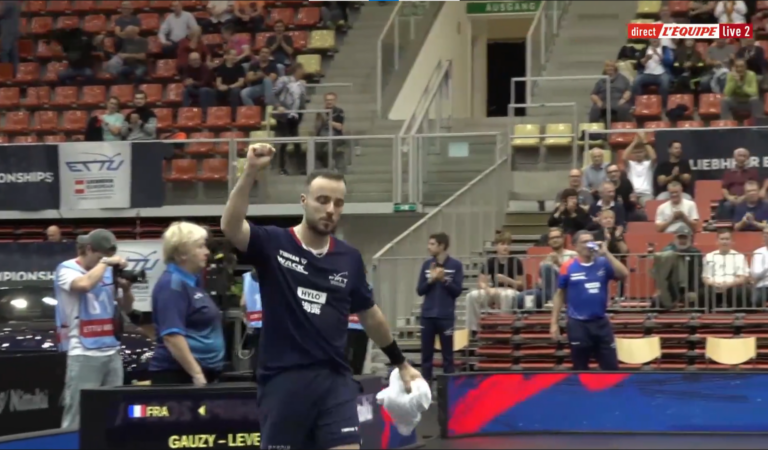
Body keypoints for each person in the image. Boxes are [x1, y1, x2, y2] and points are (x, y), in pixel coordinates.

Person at [220, 143, 424, 450]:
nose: (331, 209)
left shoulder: (349, 258)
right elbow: (231, 227)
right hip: (283, 383)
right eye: (323, 200)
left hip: (334, 382)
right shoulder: (274, 243)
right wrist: (250, 171)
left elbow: (369, 314)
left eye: (338, 203)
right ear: (304, 201)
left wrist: (401, 363)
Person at [55, 229, 134, 427]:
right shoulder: (66, 269)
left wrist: (126, 289)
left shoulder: (106, 270)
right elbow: (84, 285)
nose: (104, 260)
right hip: (83, 352)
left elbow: (126, 308)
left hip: (111, 349)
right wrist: (106, 263)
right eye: (100, 256)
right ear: (88, 249)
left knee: (113, 415)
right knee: (77, 416)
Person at [149, 221, 224, 385]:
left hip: (201, 372)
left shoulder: (193, 282)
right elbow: (172, 336)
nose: (207, 252)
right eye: (200, 247)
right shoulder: (172, 285)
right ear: (181, 253)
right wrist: (197, 374)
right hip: (179, 376)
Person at [549, 229, 629, 370]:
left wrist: (607, 253)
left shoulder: (603, 262)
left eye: (590, 241)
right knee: (580, 368)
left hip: (601, 323)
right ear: (575, 246)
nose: (588, 245)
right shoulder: (567, 267)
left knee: (611, 368)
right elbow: (559, 294)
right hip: (578, 324)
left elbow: (624, 274)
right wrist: (554, 323)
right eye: (584, 242)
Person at [416, 232, 464, 382]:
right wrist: (431, 280)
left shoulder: (456, 265)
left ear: (441, 246)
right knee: (426, 357)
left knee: (448, 357)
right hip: (427, 316)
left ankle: (448, 394)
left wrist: (444, 280)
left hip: (445, 316)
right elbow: (419, 290)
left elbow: (457, 291)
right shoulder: (426, 265)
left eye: (432, 244)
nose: (428, 247)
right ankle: (425, 394)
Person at [466, 233, 523, 333]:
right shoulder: (490, 261)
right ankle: (474, 329)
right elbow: (481, 282)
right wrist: (487, 289)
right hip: (494, 290)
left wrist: (507, 280)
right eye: (502, 244)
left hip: (511, 291)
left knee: (506, 295)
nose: (505, 247)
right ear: (496, 246)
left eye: (508, 244)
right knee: (471, 296)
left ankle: (504, 328)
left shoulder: (516, 261)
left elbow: (521, 285)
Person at [702, 229, 750, 309]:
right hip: (714, 287)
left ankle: (737, 316)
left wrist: (728, 285)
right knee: (703, 293)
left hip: (732, 287)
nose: (724, 242)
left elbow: (743, 278)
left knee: (739, 292)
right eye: (722, 239)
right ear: (717, 241)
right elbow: (705, 278)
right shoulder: (708, 256)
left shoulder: (739, 256)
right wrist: (714, 284)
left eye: (727, 239)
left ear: (732, 241)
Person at [241, 269, 262, 380]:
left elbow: (243, 303)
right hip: (271, 322)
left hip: (253, 322)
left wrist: (246, 317)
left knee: (255, 353)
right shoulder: (275, 274)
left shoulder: (247, 277)